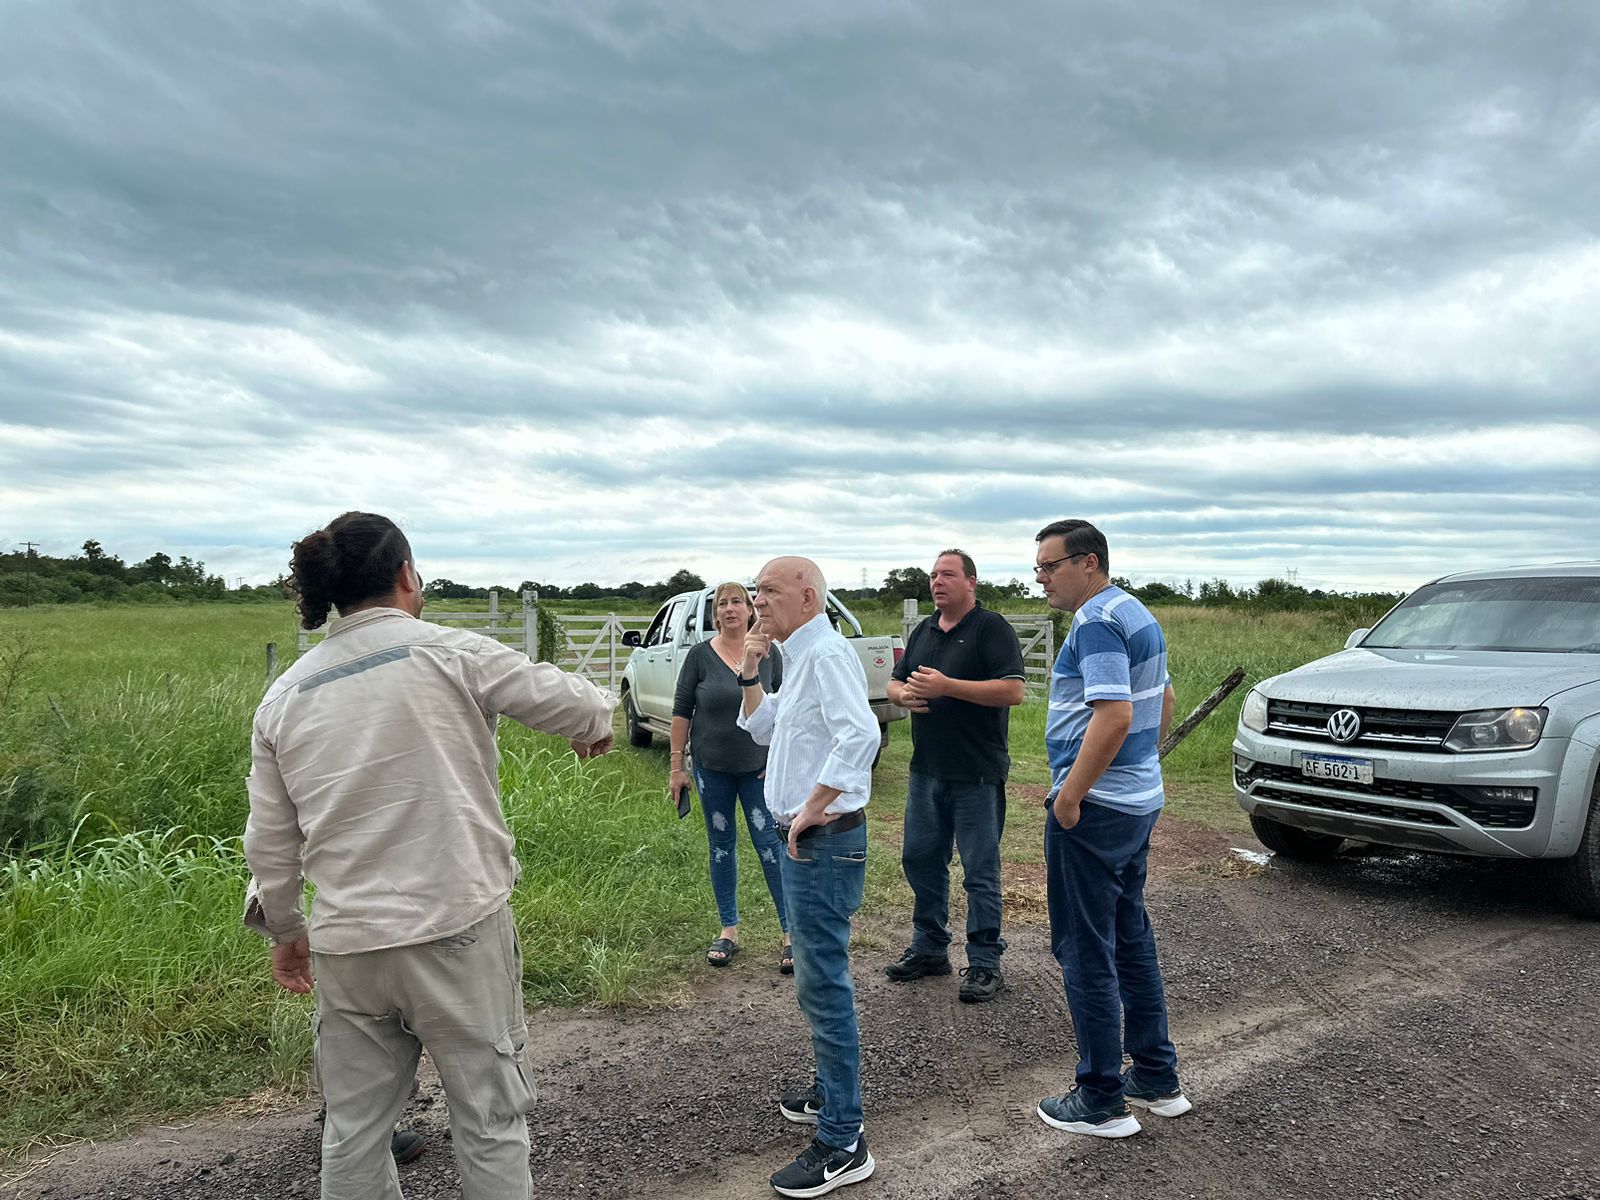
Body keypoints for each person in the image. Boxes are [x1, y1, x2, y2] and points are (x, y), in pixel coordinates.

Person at [242, 511, 616, 1200]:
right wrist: (589, 721)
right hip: (456, 929)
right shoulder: (452, 653)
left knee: (353, 1132)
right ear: (408, 575)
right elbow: (581, 707)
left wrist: (288, 931)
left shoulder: (284, 696)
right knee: (490, 1121)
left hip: (349, 945)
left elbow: (269, 840)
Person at [1030, 519, 1191, 1139]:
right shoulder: (1135, 612)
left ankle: (1100, 1097)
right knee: (1129, 937)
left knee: (1084, 948)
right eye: (1038, 568)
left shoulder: (1095, 621)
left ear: (1088, 563)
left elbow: (1116, 715)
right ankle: (1155, 1076)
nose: (1041, 579)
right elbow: (1163, 701)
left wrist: (1071, 797)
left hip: (1096, 810)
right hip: (1135, 802)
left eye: (1050, 566)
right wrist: (1139, 767)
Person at [736, 557, 879, 1198]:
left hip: (821, 843)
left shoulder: (826, 654)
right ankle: (828, 1092)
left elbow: (861, 736)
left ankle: (844, 1141)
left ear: (808, 597)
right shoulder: (798, 657)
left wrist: (814, 806)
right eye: (755, 591)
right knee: (817, 977)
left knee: (823, 985)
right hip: (807, 841)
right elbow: (766, 728)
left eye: (768, 591)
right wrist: (750, 669)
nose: (757, 601)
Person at [885, 550, 1025, 1003]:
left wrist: (947, 687)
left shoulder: (991, 628)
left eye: (947, 574)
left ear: (971, 582)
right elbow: (894, 681)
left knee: (979, 871)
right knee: (921, 860)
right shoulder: (924, 630)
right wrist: (903, 696)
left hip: (976, 773)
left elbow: (1012, 690)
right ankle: (930, 948)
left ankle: (985, 961)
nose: (937, 582)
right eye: (933, 575)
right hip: (926, 770)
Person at [669, 582, 792, 971]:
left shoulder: (769, 653)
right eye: (722, 604)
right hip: (712, 769)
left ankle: (790, 934)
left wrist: (780, 758)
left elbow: (786, 709)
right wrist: (677, 767)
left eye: (737, 601)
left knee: (770, 847)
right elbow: (681, 710)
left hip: (759, 770)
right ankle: (728, 930)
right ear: (715, 614)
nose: (729, 608)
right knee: (721, 847)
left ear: (750, 609)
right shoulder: (699, 656)